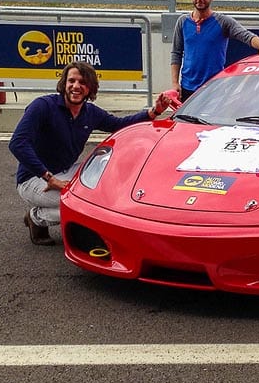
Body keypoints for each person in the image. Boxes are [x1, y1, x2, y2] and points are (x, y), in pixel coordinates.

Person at [9, 61, 174, 246]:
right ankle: (36, 217)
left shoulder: (89, 113)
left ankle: (45, 212)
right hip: (33, 179)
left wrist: (154, 112)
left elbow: (119, 125)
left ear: (90, 88)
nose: (76, 86)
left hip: (65, 171)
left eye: (82, 82)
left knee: (105, 188)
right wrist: (48, 177)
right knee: (81, 206)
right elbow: (17, 143)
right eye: (71, 81)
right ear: (64, 84)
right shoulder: (43, 106)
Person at [171, 0, 259, 101]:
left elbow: (246, 36)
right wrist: (175, 83)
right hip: (187, 88)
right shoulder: (182, 22)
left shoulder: (223, 22)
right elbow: (176, 54)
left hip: (214, 89)